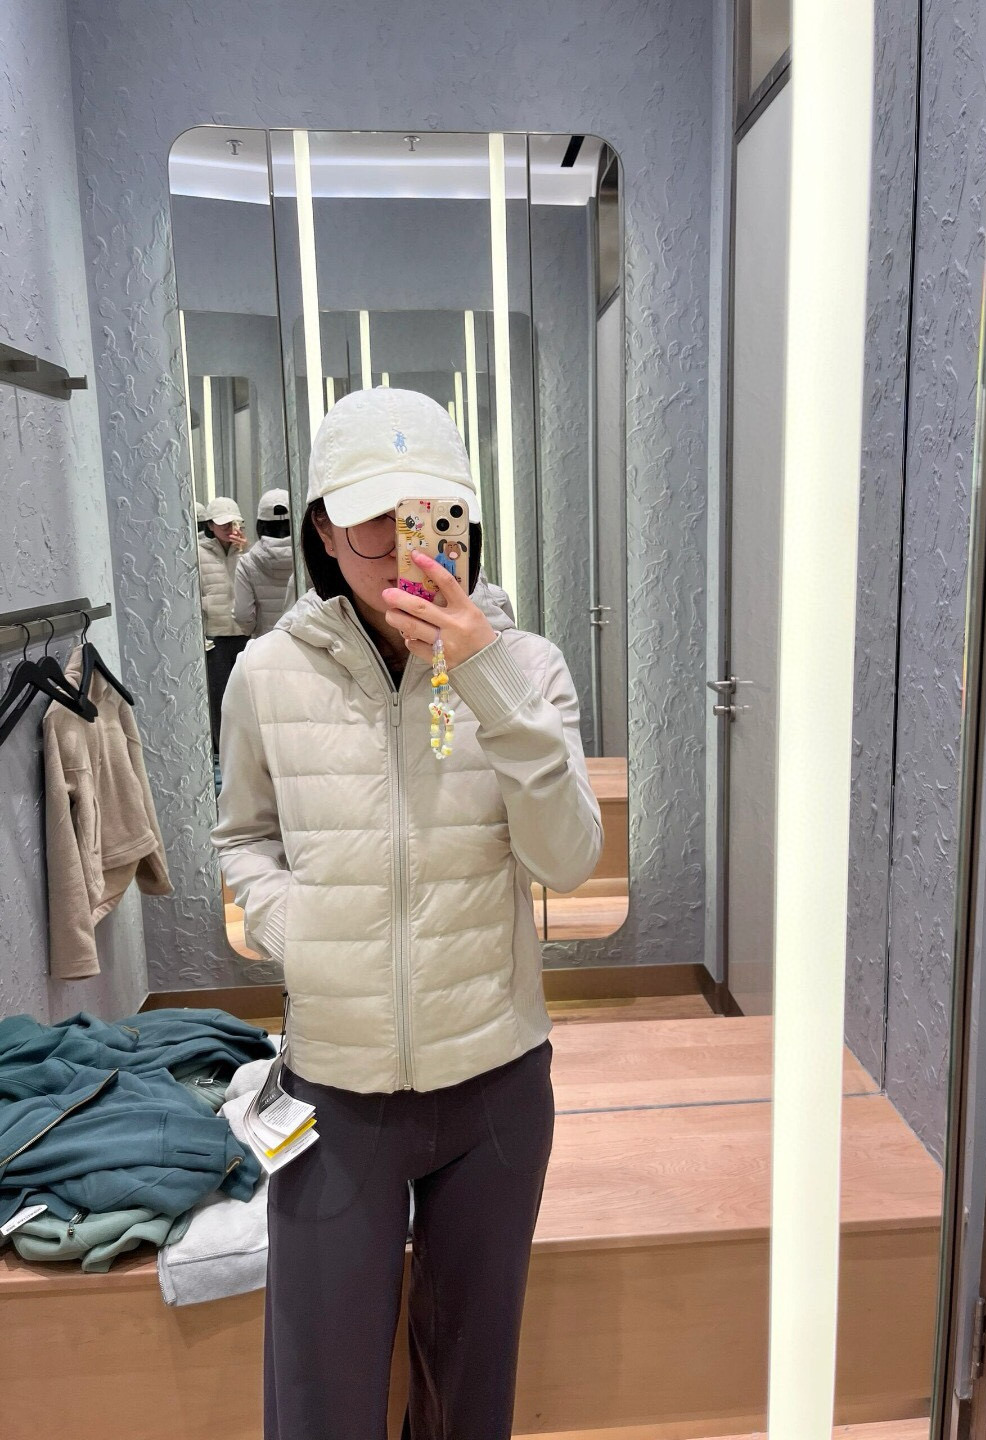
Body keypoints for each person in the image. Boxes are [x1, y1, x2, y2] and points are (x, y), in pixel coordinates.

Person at [210, 386, 603, 1440]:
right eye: (374, 523)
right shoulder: (266, 675)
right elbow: (241, 838)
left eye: (432, 515)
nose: (406, 548)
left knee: (470, 1398)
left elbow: (569, 858)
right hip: (336, 1088)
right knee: (322, 1398)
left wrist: (486, 681)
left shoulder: (527, 668)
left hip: (496, 1080)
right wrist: (297, 929)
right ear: (325, 531)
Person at [198, 495, 248, 755]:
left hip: (245, 633)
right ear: (210, 525)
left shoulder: (245, 552)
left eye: (233, 523)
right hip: (214, 637)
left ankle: (246, 752)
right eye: (223, 524)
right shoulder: (197, 554)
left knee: (246, 697)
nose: (230, 528)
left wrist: (245, 552)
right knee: (219, 698)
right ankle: (220, 752)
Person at [233, 488, 295, 638]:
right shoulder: (310, 557)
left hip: (265, 642)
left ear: (259, 525)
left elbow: (242, 614)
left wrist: (253, 631)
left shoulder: (247, 563)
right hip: (306, 643)